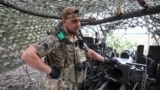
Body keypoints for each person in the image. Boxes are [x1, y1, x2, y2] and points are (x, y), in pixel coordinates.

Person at [21, 6, 120, 90]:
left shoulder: (76, 38)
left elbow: (88, 52)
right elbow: (27, 55)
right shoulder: (54, 39)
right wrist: (50, 71)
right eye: (74, 21)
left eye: (79, 21)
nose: (78, 24)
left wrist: (106, 60)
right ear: (63, 21)